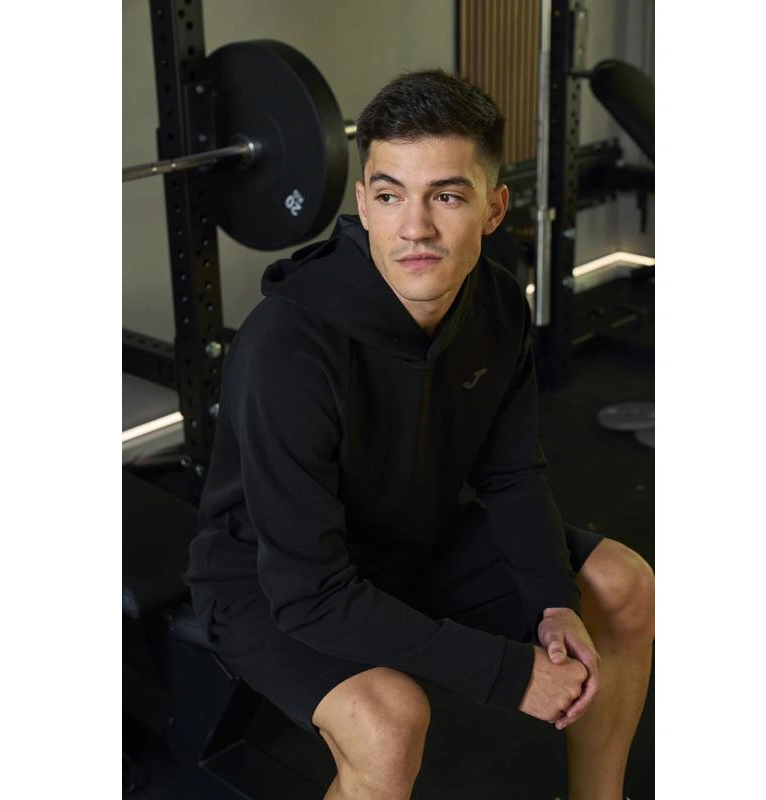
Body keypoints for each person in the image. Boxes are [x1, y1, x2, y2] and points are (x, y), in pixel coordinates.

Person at [185, 69, 655, 800]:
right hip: (273, 579)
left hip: (414, 539)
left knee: (623, 586)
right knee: (389, 722)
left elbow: (511, 473)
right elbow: (309, 593)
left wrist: (553, 599)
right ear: (363, 205)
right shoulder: (289, 345)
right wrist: (510, 673)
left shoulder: (498, 302)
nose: (414, 228)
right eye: (389, 195)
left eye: (447, 196)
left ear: (494, 208)